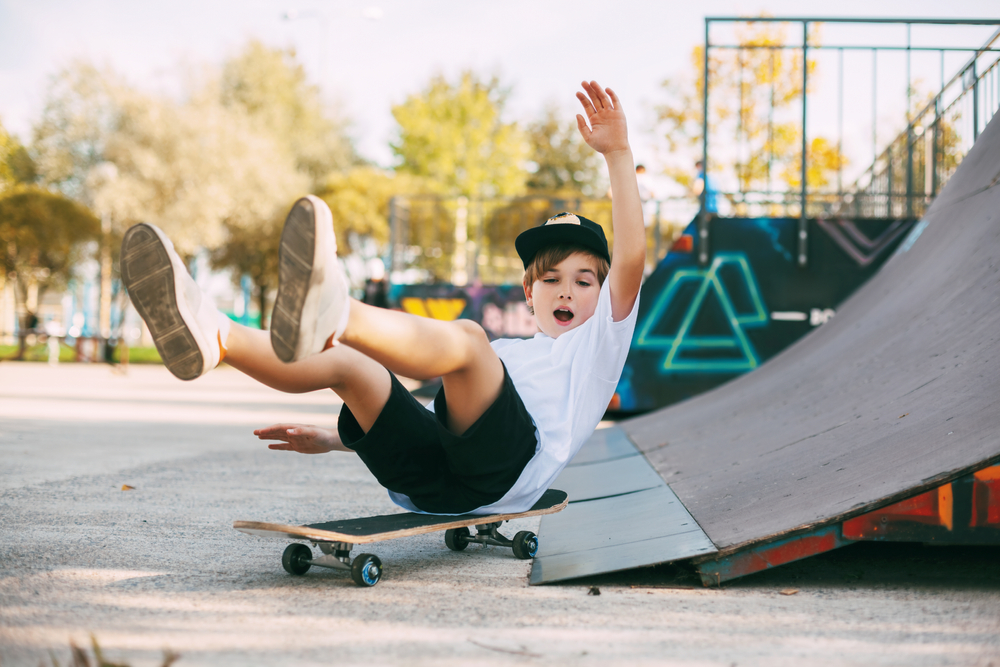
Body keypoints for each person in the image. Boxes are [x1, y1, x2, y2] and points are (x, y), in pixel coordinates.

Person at [119, 80, 645, 515]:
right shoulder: (509, 355)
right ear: (530, 293)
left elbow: (630, 260)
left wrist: (618, 154)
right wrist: (336, 440)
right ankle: (217, 338)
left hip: (504, 474)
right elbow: (443, 427)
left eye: (583, 281)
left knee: (467, 339)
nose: (567, 292)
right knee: (353, 370)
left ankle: (337, 311)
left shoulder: (601, 343)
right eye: (551, 280)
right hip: (432, 486)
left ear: (605, 295)